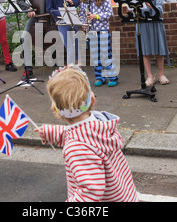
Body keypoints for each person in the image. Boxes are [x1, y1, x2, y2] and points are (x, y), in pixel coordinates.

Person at [35, 65, 139, 202]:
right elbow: (81, 134)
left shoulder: (76, 147)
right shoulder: (100, 123)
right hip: (126, 195)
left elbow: (91, 191)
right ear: (92, 99)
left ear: (55, 109)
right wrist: (52, 133)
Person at [79, 0, 118, 87]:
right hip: (92, 31)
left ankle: (112, 77)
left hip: (103, 30)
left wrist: (96, 16)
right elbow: (82, 15)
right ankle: (100, 77)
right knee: (96, 56)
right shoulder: (85, 1)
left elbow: (109, 13)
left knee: (106, 54)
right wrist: (84, 24)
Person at [16, 0, 50, 79]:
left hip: (51, 14)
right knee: (24, 37)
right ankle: (28, 69)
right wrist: (28, 8)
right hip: (36, 14)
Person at [135, 0, 170, 86]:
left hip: (155, 25)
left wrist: (150, 5)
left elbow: (160, 12)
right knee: (145, 52)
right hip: (143, 26)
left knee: (159, 50)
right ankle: (150, 76)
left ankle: (161, 74)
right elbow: (135, 13)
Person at [46, 0, 81, 65]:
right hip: (61, 21)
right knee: (69, 46)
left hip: (72, 19)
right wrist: (61, 12)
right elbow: (49, 9)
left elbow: (77, 0)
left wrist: (73, 2)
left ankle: (79, 66)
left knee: (77, 43)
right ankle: (70, 68)